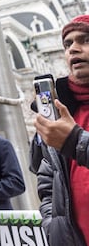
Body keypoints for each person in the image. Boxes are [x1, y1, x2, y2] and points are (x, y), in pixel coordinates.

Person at [31, 14, 89, 245]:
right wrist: (52, 225)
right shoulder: (60, 111)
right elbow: (47, 180)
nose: (74, 48)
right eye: (68, 43)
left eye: (85, 40)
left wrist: (74, 141)